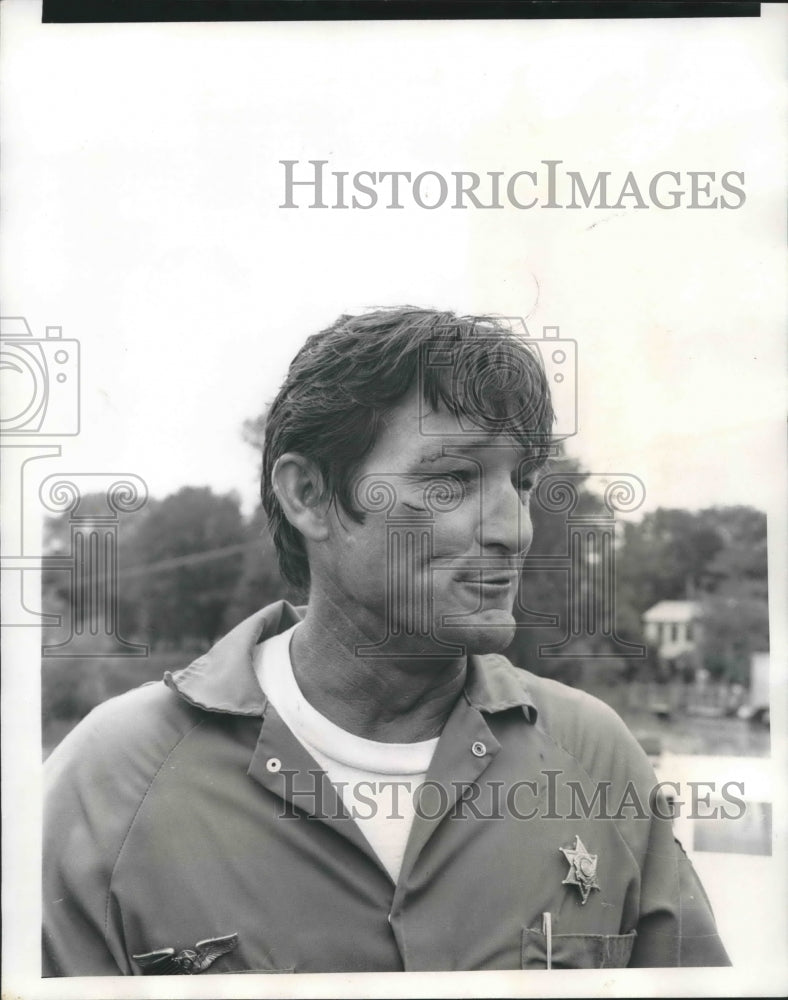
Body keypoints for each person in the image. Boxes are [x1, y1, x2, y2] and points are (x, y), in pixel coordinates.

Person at [43, 307, 730, 975]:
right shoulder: (106, 785)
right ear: (309, 494)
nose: (515, 530)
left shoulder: (598, 760)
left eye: (521, 483)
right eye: (454, 479)